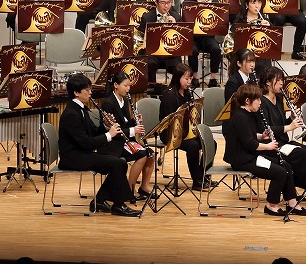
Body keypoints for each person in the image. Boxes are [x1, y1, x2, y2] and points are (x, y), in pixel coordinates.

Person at [221, 83, 306, 217]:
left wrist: (261, 136)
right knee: (280, 172)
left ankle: (292, 203)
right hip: (242, 160)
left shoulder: (247, 114)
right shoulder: (240, 117)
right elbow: (250, 144)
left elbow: (249, 135)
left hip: (250, 156)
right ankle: (271, 205)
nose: (260, 102)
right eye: (257, 99)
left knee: (285, 166)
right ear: (247, 101)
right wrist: (268, 146)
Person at [57, 73, 139, 216]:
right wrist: (110, 135)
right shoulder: (71, 113)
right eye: (87, 90)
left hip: (82, 154)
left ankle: (100, 200)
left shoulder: (81, 109)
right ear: (76, 93)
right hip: (73, 158)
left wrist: (106, 126)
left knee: (120, 163)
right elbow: (86, 143)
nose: (90, 93)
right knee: (117, 163)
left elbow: (93, 132)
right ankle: (118, 205)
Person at [259, 66, 306, 207]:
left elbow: (281, 123)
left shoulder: (278, 99)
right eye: (278, 80)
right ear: (268, 82)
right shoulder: (261, 102)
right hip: (271, 145)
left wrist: (291, 118)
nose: (282, 83)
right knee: (300, 154)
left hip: (283, 142)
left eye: (282, 80)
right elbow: (266, 129)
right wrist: (290, 126)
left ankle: (299, 188)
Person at [101, 72, 156, 201]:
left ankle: (144, 186)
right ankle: (129, 190)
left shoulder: (124, 100)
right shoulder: (108, 103)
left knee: (151, 155)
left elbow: (124, 122)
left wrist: (134, 121)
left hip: (124, 140)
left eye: (129, 86)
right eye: (125, 86)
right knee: (142, 155)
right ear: (116, 85)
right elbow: (114, 130)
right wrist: (133, 130)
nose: (128, 89)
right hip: (114, 143)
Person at [159, 63, 214, 190]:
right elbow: (169, 122)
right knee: (193, 146)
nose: (189, 82)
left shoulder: (187, 93)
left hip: (186, 131)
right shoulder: (169, 96)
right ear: (178, 78)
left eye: (190, 78)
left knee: (211, 143)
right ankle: (197, 180)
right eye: (186, 79)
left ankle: (204, 175)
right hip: (171, 133)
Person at [183, 0, 222, 87]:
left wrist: (211, 8)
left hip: (208, 37)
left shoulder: (214, 2)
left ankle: (213, 79)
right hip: (194, 37)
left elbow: (219, 21)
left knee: (216, 49)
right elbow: (185, 22)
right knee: (193, 50)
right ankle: (194, 78)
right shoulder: (188, 2)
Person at [138, 0, 180, 82]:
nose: (167, 6)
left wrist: (175, 26)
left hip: (171, 55)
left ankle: (174, 90)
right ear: (156, 2)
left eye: (169, 2)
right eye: (163, 3)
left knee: (179, 67)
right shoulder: (147, 17)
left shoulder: (177, 17)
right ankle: (152, 89)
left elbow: (181, 41)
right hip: (154, 54)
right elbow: (140, 37)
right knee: (149, 63)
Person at [231, 0, 272, 74]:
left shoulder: (266, 21)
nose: (257, 6)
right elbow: (233, 39)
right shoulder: (239, 21)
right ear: (247, 5)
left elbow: (272, 43)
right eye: (253, 3)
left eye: (259, 2)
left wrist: (269, 30)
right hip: (244, 55)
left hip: (261, 55)